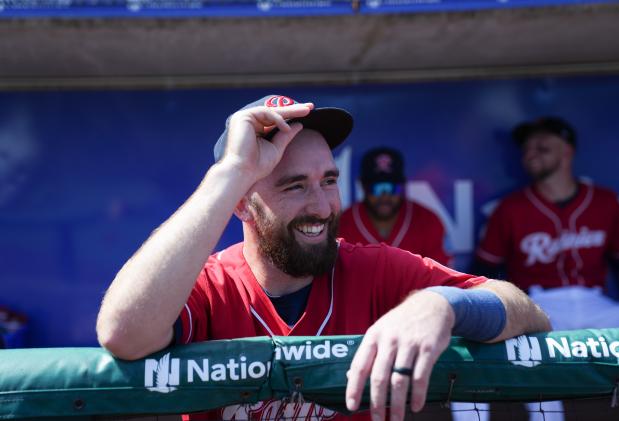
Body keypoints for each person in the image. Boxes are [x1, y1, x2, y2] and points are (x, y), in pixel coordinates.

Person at [96, 95, 551, 421]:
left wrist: (441, 304)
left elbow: (527, 312)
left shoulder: (374, 270)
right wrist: (232, 172)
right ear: (241, 203)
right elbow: (123, 333)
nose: (321, 205)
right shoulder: (210, 286)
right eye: (294, 186)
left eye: (329, 180)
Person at [473, 116, 619, 330]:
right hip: (538, 304)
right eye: (526, 149)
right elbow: (484, 273)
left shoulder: (605, 201)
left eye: (542, 146)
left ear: (567, 151)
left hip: (597, 305)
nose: (531, 154)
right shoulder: (510, 208)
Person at [338, 147, 451, 266]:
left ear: (403, 186)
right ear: (363, 186)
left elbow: (444, 278)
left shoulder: (428, 221)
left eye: (393, 187)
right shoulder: (343, 225)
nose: (385, 196)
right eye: (377, 188)